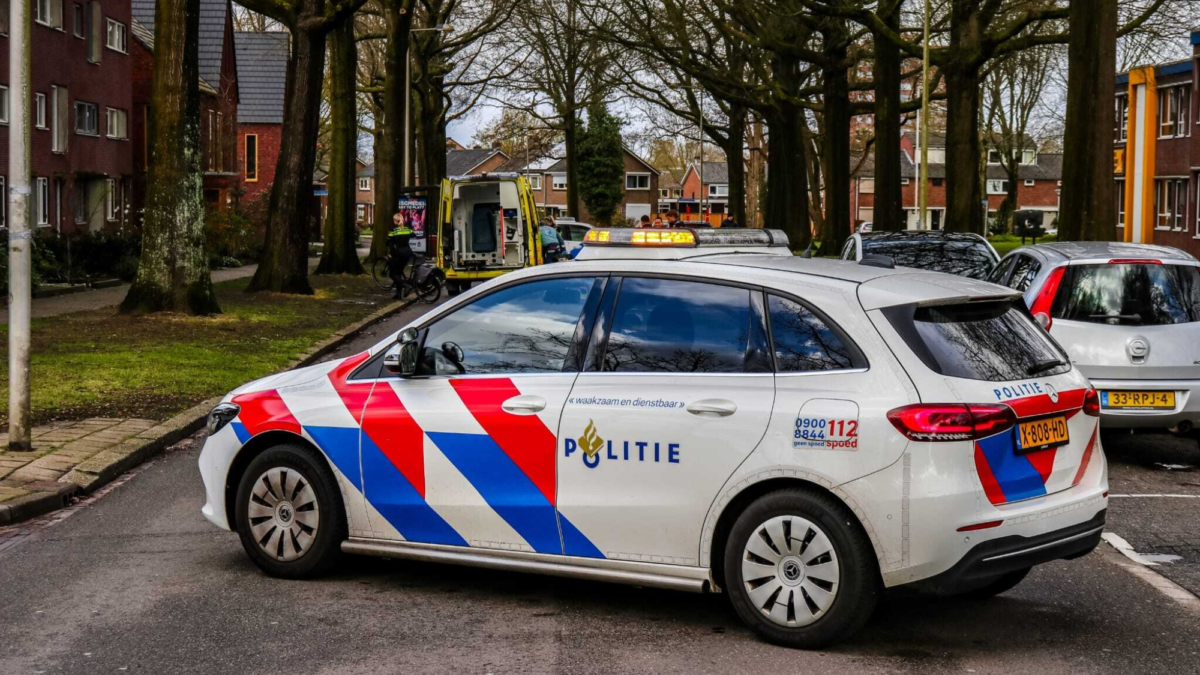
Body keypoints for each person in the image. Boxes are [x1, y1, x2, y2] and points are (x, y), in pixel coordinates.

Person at [387, 212, 415, 299]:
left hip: (399, 254)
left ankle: (405, 285)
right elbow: (413, 235)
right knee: (398, 273)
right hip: (407, 252)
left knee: (392, 273)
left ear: (395, 220)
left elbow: (388, 241)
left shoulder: (393, 230)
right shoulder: (407, 228)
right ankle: (398, 294)